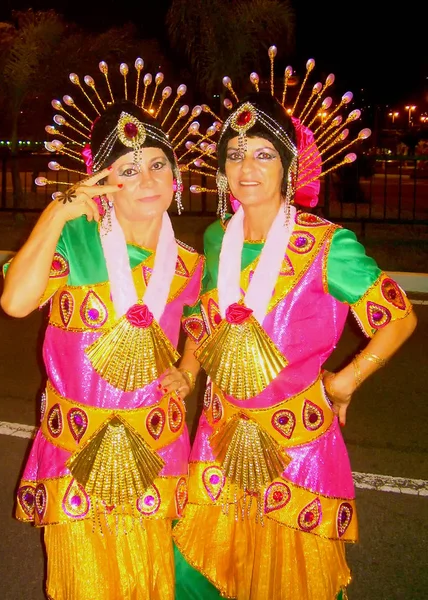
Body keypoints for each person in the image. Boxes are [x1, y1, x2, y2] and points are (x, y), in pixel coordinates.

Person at [173, 86, 417, 599]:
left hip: (294, 447)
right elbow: (202, 319)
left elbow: (398, 318)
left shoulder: (328, 245)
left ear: (289, 165)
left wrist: (347, 380)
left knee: (288, 579)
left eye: (264, 154)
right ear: (221, 169)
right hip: (218, 436)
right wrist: (189, 370)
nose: (247, 168)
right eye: (235, 155)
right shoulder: (219, 237)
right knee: (205, 569)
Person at [1, 69, 204, 599]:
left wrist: (187, 369)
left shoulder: (188, 264)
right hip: (76, 449)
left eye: (159, 165)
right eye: (129, 170)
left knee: (150, 581)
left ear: (176, 177)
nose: (149, 180)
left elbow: (198, 324)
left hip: (157, 446)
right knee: (82, 584)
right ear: (103, 181)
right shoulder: (75, 242)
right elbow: (16, 301)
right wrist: (56, 211)